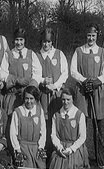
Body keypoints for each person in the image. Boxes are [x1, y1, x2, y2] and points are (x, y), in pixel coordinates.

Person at [70, 23, 104, 135]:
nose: (91, 38)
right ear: (86, 35)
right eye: (89, 35)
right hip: (82, 89)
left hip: (97, 89)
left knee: (97, 123)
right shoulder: (79, 51)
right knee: (82, 121)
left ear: (97, 35)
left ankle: (98, 148)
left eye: (93, 35)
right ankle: (81, 150)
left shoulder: (102, 52)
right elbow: (73, 71)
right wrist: (84, 81)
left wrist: (96, 82)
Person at [36, 27, 68, 161]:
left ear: (52, 42)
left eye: (48, 42)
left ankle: (56, 149)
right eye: (44, 42)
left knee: (55, 120)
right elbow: (34, 74)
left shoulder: (59, 54)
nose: (46, 44)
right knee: (44, 121)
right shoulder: (36, 55)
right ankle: (45, 149)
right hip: (42, 94)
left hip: (56, 94)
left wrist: (55, 85)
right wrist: (42, 81)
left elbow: (64, 73)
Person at [0, 27, 42, 117]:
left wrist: (30, 89)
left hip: (27, 98)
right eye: (17, 40)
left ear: (25, 40)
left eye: (21, 40)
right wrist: (16, 80)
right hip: (12, 96)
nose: (19, 43)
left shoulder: (31, 54)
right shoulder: (8, 54)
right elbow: (2, 73)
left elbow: (37, 74)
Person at [49, 87, 90, 169]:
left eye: (68, 100)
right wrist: (59, 148)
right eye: (63, 100)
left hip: (75, 148)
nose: (66, 102)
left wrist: (71, 149)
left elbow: (82, 137)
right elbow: (53, 135)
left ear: (73, 99)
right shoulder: (56, 115)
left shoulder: (79, 115)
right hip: (61, 148)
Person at [10, 85, 47, 169]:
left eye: (31, 98)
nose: (29, 101)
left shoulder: (39, 111)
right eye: (27, 98)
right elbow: (13, 133)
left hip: (36, 148)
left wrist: (41, 147)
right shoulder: (18, 112)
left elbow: (43, 131)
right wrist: (17, 149)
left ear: (35, 99)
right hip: (23, 148)